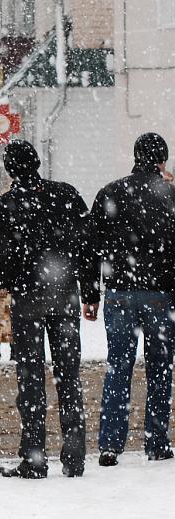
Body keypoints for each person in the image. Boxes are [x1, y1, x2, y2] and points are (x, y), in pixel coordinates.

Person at [0, 140, 92, 479]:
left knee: (30, 379)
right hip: (64, 297)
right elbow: (86, 247)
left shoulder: (3, 208)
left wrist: (15, 274)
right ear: (38, 163)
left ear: (10, 170)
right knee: (69, 376)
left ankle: (34, 456)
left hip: (27, 300)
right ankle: (74, 453)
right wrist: (88, 290)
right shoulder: (67, 196)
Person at [85, 132, 175, 466]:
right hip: (160, 295)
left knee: (118, 368)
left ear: (135, 157)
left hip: (120, 293)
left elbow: (91, 247)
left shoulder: (110, 193)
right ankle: (156, 441)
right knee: (160, 370)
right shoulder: (170, 196)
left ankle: (110, 444)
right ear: (162, 161)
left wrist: (91, 293)